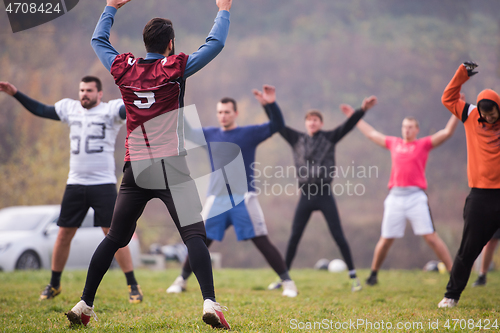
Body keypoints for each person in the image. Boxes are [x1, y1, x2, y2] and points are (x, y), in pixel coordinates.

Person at [65, 0, 233, 329]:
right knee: (194, 235)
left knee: (114, 237)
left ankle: (84, 303)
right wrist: (223, 9)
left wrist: (111, 6)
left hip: (136, 167)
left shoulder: (125, 69)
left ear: (145, 42)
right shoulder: (174, 67)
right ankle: (210, 302)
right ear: (170, 44)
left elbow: (98, 41)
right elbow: (216, 44)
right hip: (171, 164)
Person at [0, 78, 142, 304]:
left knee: (114, 234)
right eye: (81, 90)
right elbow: (41, 110)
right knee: (64, 233)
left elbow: (131, 109)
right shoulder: (70, 108)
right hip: (75, 183)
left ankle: (132, 284)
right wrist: (15, 93)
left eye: (89, 91)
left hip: (103, 183)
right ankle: (54, 284)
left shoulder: (110, 110)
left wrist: (142, 91)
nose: (84, 94)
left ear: (100, 93)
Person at [167, 85, 298, 298]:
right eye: (220, 112)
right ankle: (181, 280)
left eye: (227, 112)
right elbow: (186, 130)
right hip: (216, 198)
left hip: (243, 199)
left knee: (261, 241)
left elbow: (278, 125)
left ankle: (288, 283)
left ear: (236, 113)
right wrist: (174, 97)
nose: (223, 115)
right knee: (199, 241)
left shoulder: (249, 133)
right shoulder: (209, 134)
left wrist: (271, 104)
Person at [342, 101, 458, 286]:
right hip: (395, 197)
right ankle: (373, 275)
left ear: (417, 130)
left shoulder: (423, 144)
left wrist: (457, 110)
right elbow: (372, 134)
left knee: (431, 238)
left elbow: (446, 133)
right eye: (404, 127)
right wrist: (354, 117)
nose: (407, 130)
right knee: (386, 239)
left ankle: (454, 273)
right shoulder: (393, 143)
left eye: (411, 127)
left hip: (416, 197)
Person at [269, 96, 378, 292]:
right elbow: (278, 125)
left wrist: (362, 109)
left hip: (324, 194)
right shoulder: (296, 139)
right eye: (309, 120)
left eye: (316, 120)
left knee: (338, 236)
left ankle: (353, 277)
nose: (312, 123)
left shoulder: (329, 137)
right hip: (306, 195)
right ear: (305, 123)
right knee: (294, 237)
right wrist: (267, 104)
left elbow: (348, 125)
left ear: (321, 123)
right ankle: (283, 279)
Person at [438, 62, 500, 308]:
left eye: (493, 114)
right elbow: (447, 97)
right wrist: (462, 73)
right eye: (486, 114)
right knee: (468, 248)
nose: (489, 118)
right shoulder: (470, 114)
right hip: (481, 197)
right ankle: (451, 295)